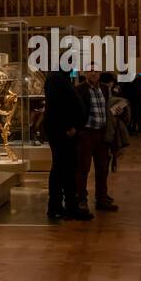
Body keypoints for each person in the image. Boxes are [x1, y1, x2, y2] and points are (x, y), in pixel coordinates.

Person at [43, 65, 90, 221]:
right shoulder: (56, 79)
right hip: (62, 133)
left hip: (64, 131)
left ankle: (65, 206)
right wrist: (68, 126)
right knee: (62, 169)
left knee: (66, 169)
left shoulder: (59, 78)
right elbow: (57, 107)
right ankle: (60, 207)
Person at [75, 67, 119, 212]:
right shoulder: (79, 89)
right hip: (86, 134)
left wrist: (117, 110)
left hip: (102, 134)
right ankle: (81, 200)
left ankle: (102, 198)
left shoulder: (105, 89)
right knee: (83, 168)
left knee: (102, 168)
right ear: (85, 73)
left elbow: (109, 108)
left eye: (96, 71)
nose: (93, 73)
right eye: (90, 70)